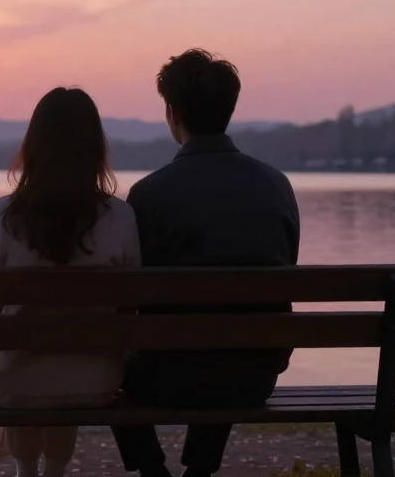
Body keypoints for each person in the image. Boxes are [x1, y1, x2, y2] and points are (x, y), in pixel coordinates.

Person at [109, 49, 301, 477]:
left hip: (164, 376)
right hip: (254, 376)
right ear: (229, 110)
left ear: (172, 113)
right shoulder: (276, 186)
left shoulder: (149, 194)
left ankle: (152, 471)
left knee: (109, 360)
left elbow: (130, 298)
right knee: (231, 337)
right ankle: (199, 470)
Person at [0, 87, 141, 477]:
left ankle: (26, 469)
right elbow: (130, 309)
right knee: (68, 359)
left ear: (34, 145)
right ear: (95, 147)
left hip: (17, 380)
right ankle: (53, 473)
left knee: (9, 363)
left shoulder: (4, 215)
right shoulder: (121, 216)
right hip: (97, 379)